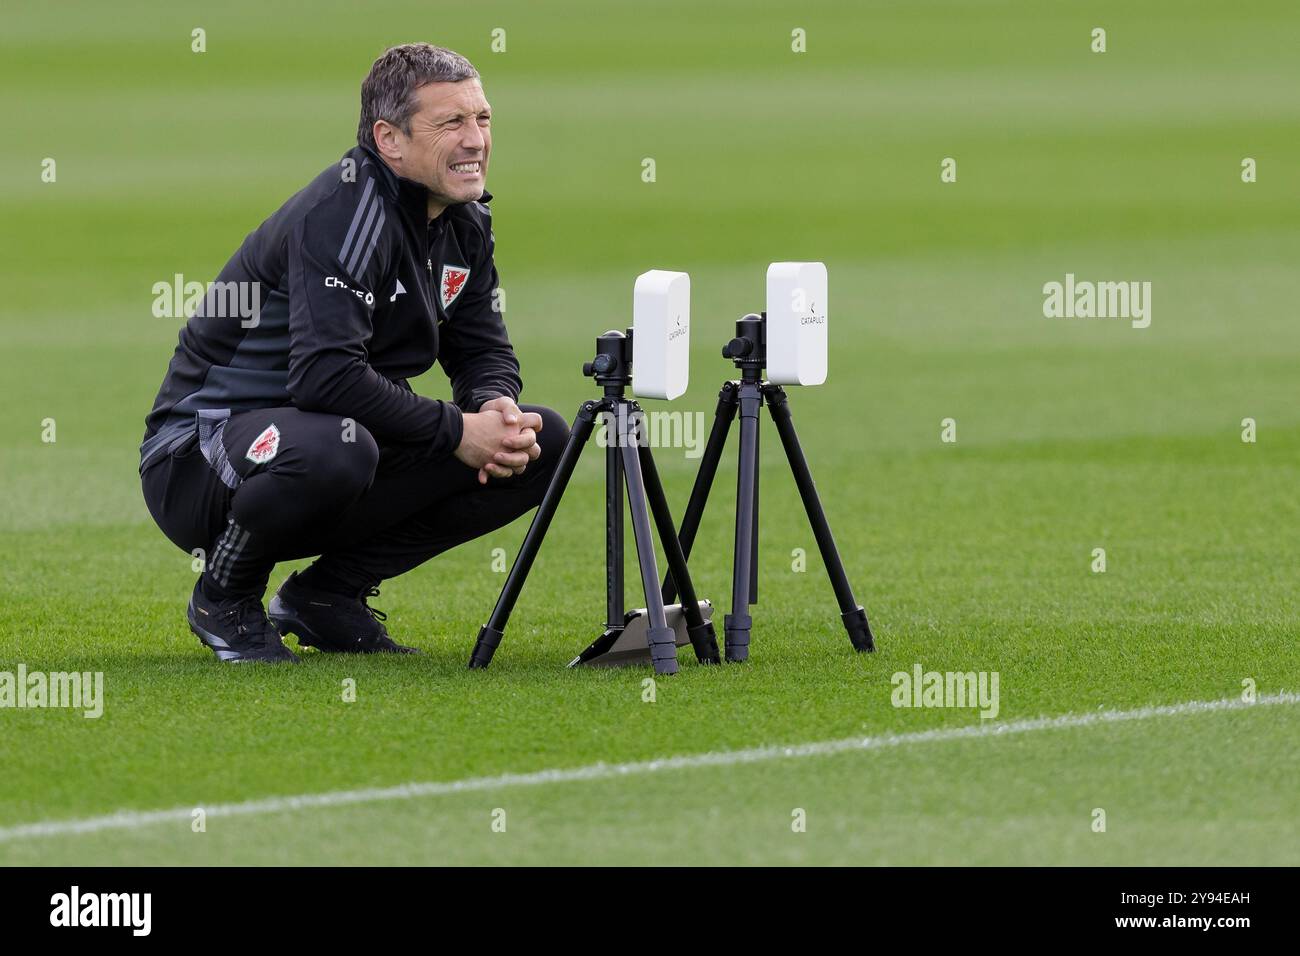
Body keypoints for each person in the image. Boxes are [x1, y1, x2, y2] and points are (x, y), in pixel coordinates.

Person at [139, 43, 565, 662]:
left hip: (332, 440)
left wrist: (493, 407)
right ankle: (223, 597)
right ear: (389, 139)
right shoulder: (344, 213)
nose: (476, 139)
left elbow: (480, 346)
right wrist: (454, 431)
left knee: (540, 442)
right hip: (197, 457)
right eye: (452, 123)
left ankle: (325, 596)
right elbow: (325, 378)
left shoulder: (462, 217)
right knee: (333, 445)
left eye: (483, 118)